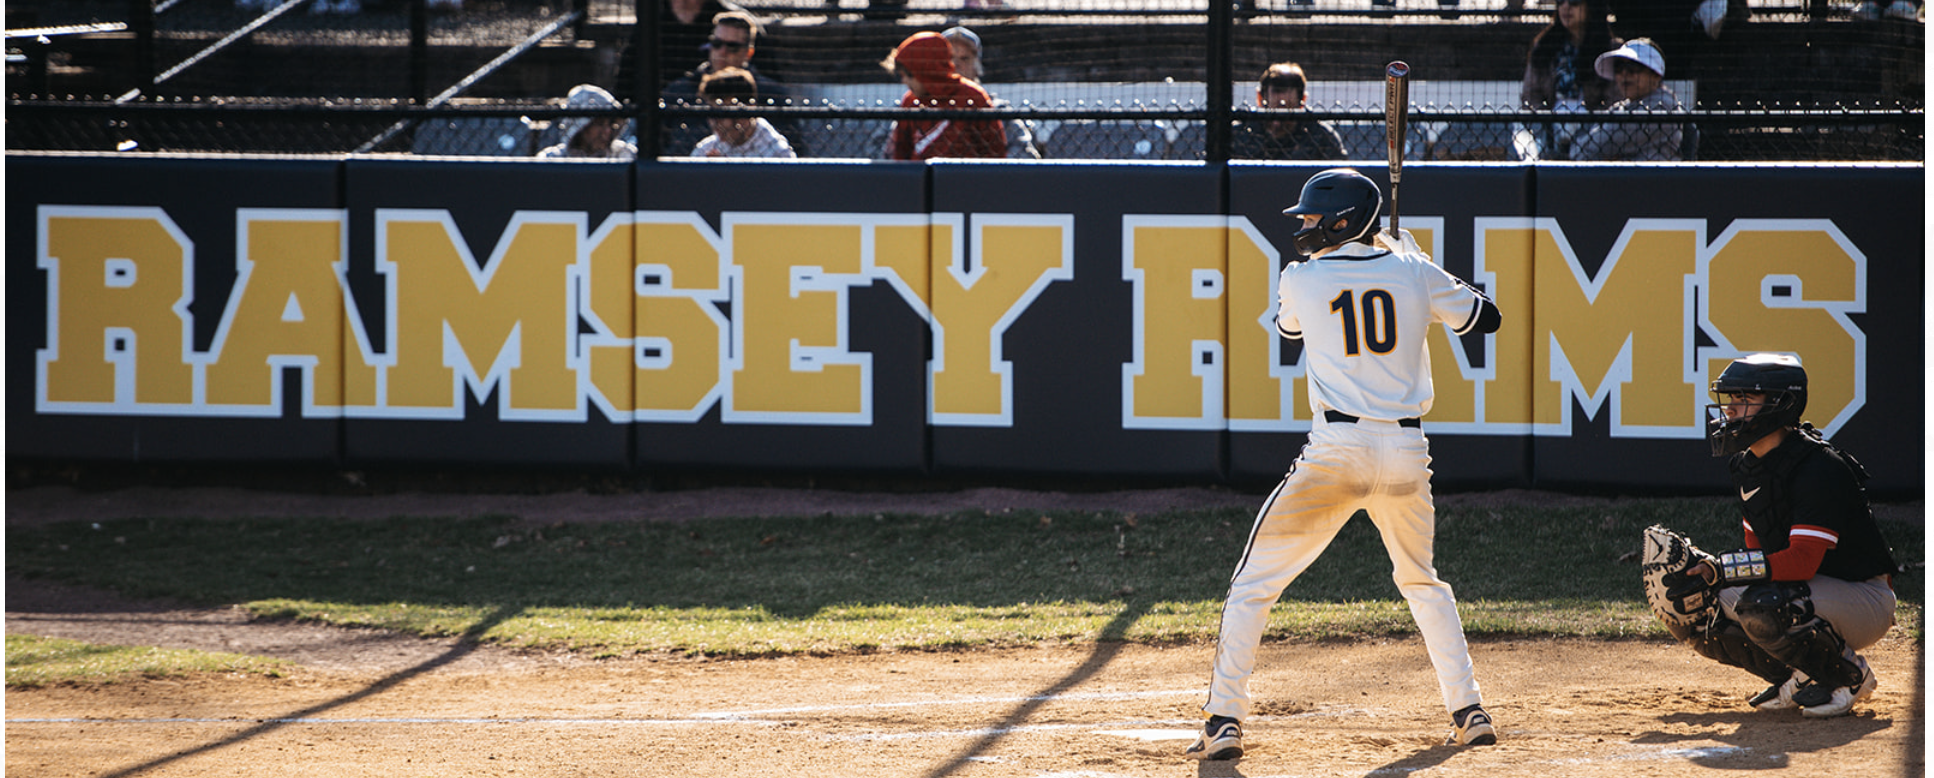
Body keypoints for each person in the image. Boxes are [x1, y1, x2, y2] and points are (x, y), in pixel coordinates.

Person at [1188, 168, 1502, 760]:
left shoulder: (1300, 279)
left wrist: (1404, 265)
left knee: (1253, 586)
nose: (1305, 228)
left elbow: (1289, 329)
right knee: (1423, 582)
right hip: (1409, 455)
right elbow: (1486, 317)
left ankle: (1223, 720)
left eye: (1313, 218)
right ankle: (1470, 710)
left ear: (1343, 221)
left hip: (1337, 453)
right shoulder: (1412, 269)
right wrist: (1418, 262)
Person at [1661, 354, 1899, 718]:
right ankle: (1798, 675)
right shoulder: (1747, 465)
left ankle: (1849, 675)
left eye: (1744, 399)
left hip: (1864, 598)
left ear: (1780, 403)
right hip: (1813, 593)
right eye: (1730, 399)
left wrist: (1723, 569)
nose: (1730, 410)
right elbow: (1760, 558)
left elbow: (1802, 561)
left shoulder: (1818, 468)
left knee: (1765, 603)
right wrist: (1709, 570)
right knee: (1697, 601)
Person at [660, 11, 808, 158]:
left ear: (748, 53)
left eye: (732, 46)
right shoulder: (679, 91)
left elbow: (796, 151)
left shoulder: (771, 94)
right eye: (717, 44)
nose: (722, 52)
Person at [880, 31, 1005, 161]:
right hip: (920, 179)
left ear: (925, 72)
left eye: (909, 75)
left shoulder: (972, 96)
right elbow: (899, 153)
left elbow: (996, 151)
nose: (904, 81)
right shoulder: (910, 101)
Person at [1569, 38, 1684, 161]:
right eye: (1618, 67)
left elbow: (1602, 145)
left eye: (1633, 68)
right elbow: (1577, 153)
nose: (1624, 73)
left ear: (1656, 75)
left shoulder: (1663, 106)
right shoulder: (1619, 108)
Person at [939, 26, 1040, 160]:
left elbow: (1024, 158)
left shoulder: (998, 110)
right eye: (950, 58)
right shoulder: (920, 106)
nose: (956, 64)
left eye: (964, 59)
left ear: (976, 67)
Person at [1230, 63, 1347, 161]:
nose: (1278, 122)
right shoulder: (1239, 135)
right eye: (1273, 112)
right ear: (1260, 98)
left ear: (1302, 101)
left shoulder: (1320, 137)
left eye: (1288, 112)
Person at [691, 67, 797, 158]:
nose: (715, 123)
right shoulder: (706, 148)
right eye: (712, 114)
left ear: (748, 109)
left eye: (722, 115)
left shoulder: (776, 151)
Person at [536, 84, 637, 160]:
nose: (607, 131)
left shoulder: (623, 155)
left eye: (610, 124)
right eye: (599, 124)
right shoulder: (554, 158)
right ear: (581, 126)